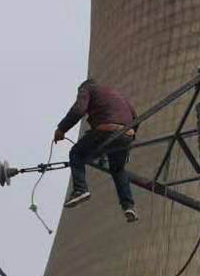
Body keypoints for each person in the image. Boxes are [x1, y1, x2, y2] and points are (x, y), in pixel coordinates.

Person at [55, 78, 139, 222]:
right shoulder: (117, 94)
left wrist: (61, 129)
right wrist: (129, 143)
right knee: (118, 170)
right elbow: (136, 117)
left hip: (106, 131)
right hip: (127, 134)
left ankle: (80, 190)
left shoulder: (87, 89)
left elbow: (78, 110)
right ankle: (128, 206)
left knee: (76, 153)